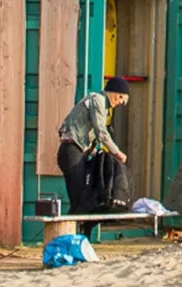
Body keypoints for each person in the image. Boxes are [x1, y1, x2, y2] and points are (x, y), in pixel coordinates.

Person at [56, 76, 130, 238]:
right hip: (71, 151)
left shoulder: (104, 108)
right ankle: (66, 239)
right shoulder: (98, 100)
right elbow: (101, 132)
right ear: (114, 93)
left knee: (89, 198)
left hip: (81, 153)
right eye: (121, 99)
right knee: (80, 200)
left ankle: (82, 238)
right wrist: (117, 152)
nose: (120, 103)